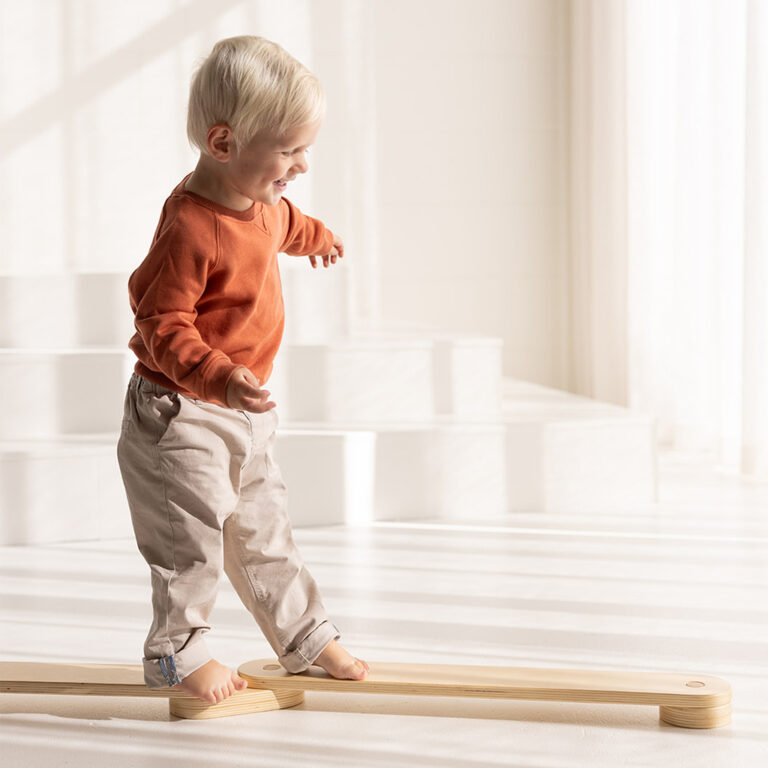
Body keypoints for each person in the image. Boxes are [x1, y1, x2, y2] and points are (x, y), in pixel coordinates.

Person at [117, 35, 369, 705]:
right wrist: (219, 374)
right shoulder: (190, 228)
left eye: (304, 149)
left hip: (241, 411)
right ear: (223, 145)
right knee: (189, 547)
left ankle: (305, 637)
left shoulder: (256, 203)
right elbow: (160, 323)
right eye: (288, 152)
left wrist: (320, 238)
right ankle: (174, 655)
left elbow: (284, 223)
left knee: (264, 533)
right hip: (179, 416)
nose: (302, 165)